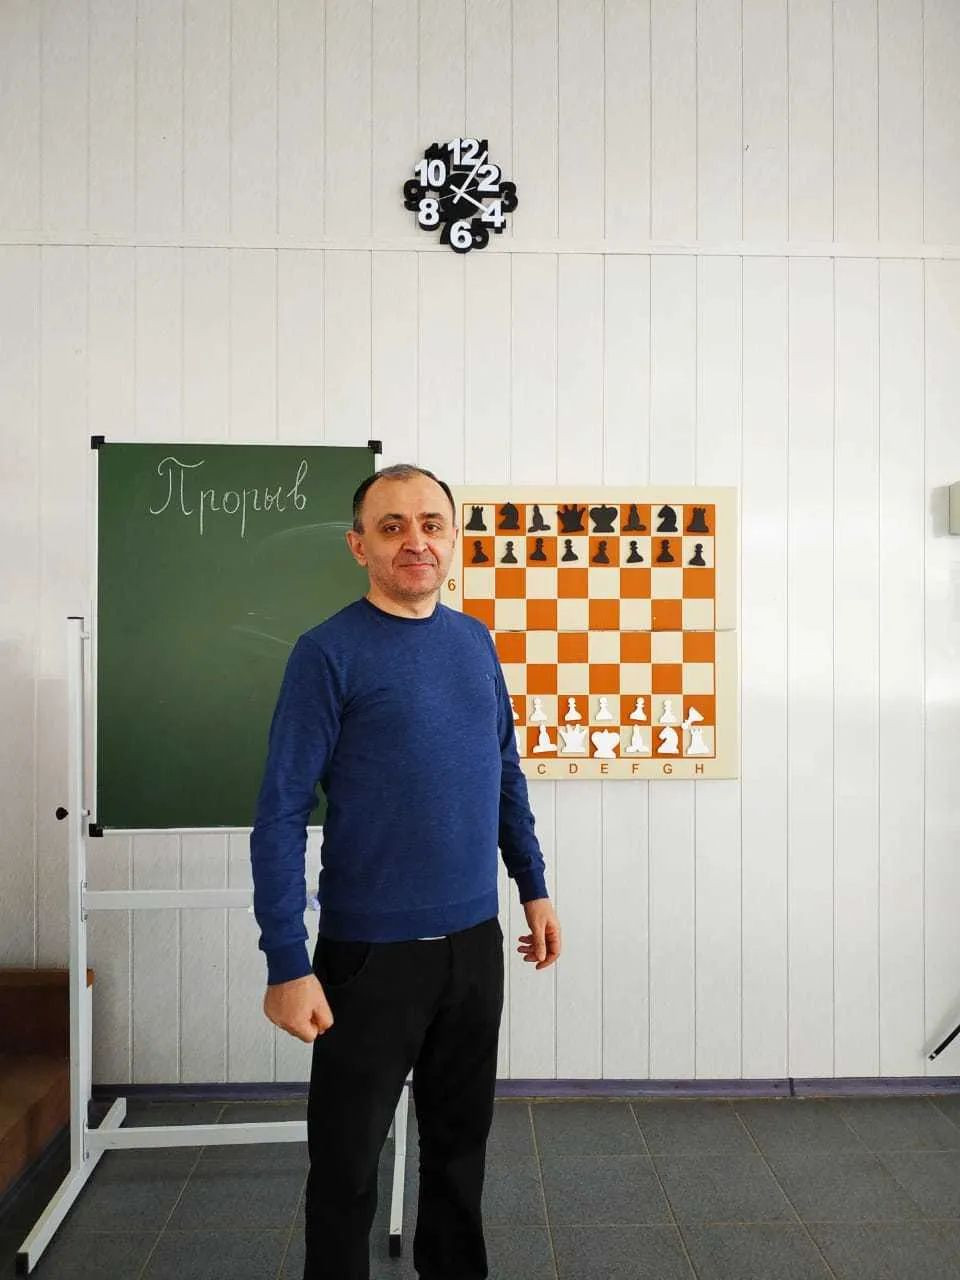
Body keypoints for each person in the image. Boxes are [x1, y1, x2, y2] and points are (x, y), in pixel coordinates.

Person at [249, 463, 562, 1280]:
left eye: (431, 524)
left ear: (454, 540)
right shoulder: (327, 654)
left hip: (474, 948)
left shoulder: (474, 641)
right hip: (368, 959)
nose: (415, 541)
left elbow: (503, 773)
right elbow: (280, 813)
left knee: (459, 1156)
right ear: (360, 546)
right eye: (392, 527)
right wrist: (286, 961)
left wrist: (531, 886)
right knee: (347, 1172)